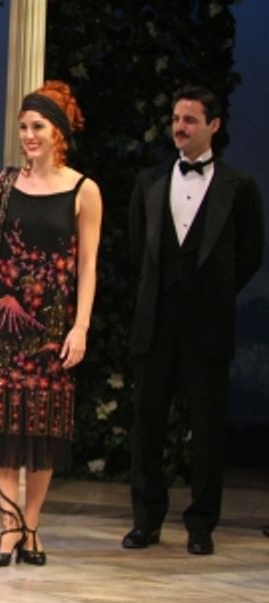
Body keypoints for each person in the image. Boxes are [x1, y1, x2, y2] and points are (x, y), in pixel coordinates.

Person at [0, 81, 102, 567]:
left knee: (42, 435)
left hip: (50, 331)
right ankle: (8, 528)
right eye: (23, 127)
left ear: (58, 131)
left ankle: (32, 526)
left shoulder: (84, 191)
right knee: (2, 430)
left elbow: (87, 266)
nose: (28, 136)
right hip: (3, 325)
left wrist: (80, 326)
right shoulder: (2, 187)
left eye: (37, 126)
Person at [123, 86, 264, 556]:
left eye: (190, 119)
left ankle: (202, 523)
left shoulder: (238, 186)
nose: (179, 127)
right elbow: (137, 249)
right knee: (147, 424)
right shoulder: (149, 181)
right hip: (156, 321)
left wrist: (216, 294)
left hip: (207, 324)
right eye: (176, 118)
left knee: (207, 429)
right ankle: (146, 519)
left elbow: (250, 254)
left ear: (213, 126)